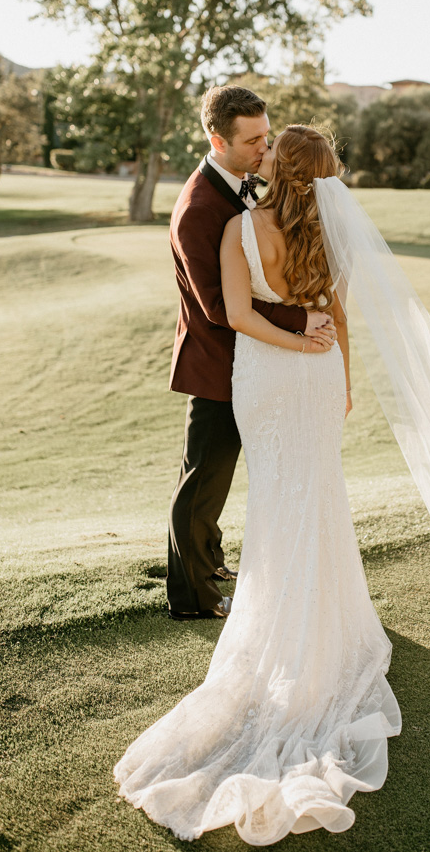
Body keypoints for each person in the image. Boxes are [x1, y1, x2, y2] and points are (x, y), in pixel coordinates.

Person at [115, 125, 402, 843]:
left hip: (267, 377)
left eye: (274, 148)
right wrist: (336, 374)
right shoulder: (333, 234)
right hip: (312, 378)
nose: (264, 152)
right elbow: (336, 317)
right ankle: (316, 635)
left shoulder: (244, 225)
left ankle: (282, 628)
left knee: (277, 504)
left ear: (284, 167)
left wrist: (294, 336)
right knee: (317, 497)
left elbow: (238, 316)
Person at [166, 88, 334, 620]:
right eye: (254, 140)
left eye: (268, 135)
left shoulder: (242, 183)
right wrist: (302, 318)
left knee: (218, 476)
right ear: (218, 140)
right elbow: (219, 306)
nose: (266, 149)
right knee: (202, 484)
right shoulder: (198, 207)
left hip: (253, 360)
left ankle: (211, 564)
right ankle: (193, 597)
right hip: (217, 362)